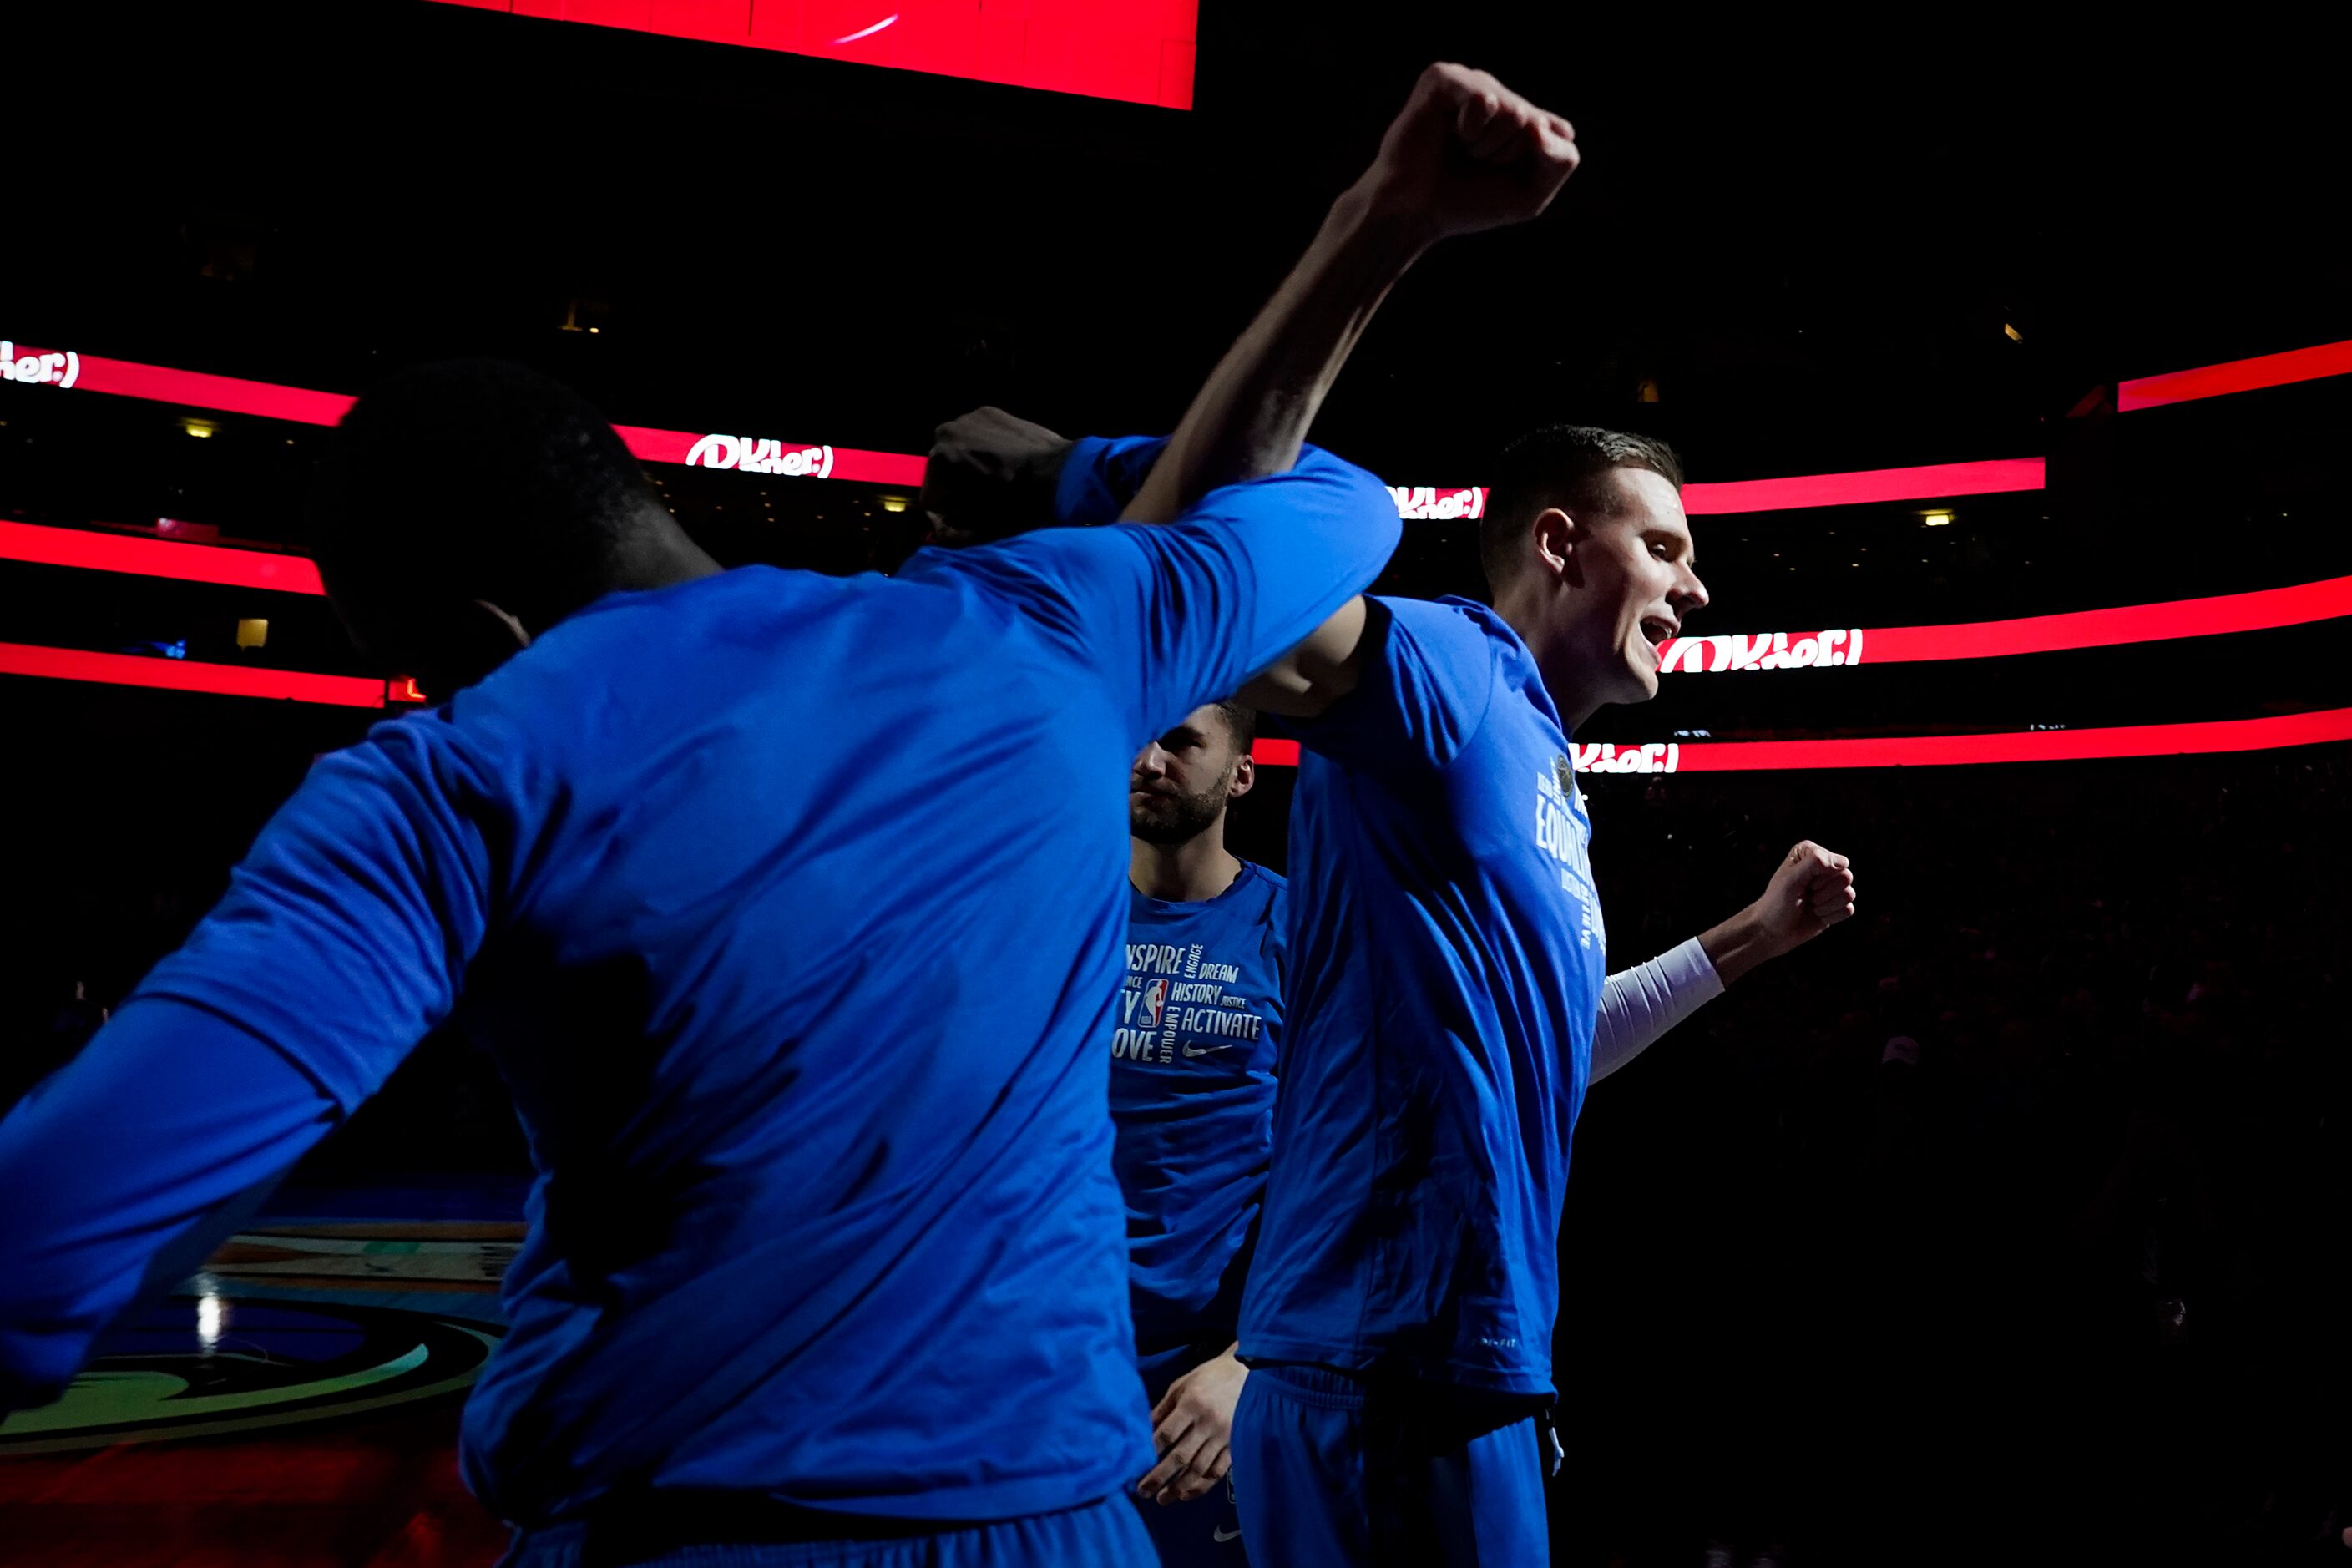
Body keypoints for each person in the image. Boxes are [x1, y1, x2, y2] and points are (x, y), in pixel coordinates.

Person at [0, 335, 1400, 1560]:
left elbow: (48, 1233)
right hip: (1060, 1516)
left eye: (420, 666)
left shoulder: (458, 772)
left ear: (478, 637)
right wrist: (1074, 472)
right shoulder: (1038, 619)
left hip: (676, 1517)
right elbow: (1341, 505)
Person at [1115, 701, 1284, 1566]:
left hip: (1208, 1382)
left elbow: (1346, 1171)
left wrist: (1254, 1359)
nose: (1150, 760)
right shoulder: (1056, 914)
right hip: (1046, 1364)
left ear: (1242, 774)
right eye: (1140, 738)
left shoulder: (1298, 928)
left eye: (1182, 742)